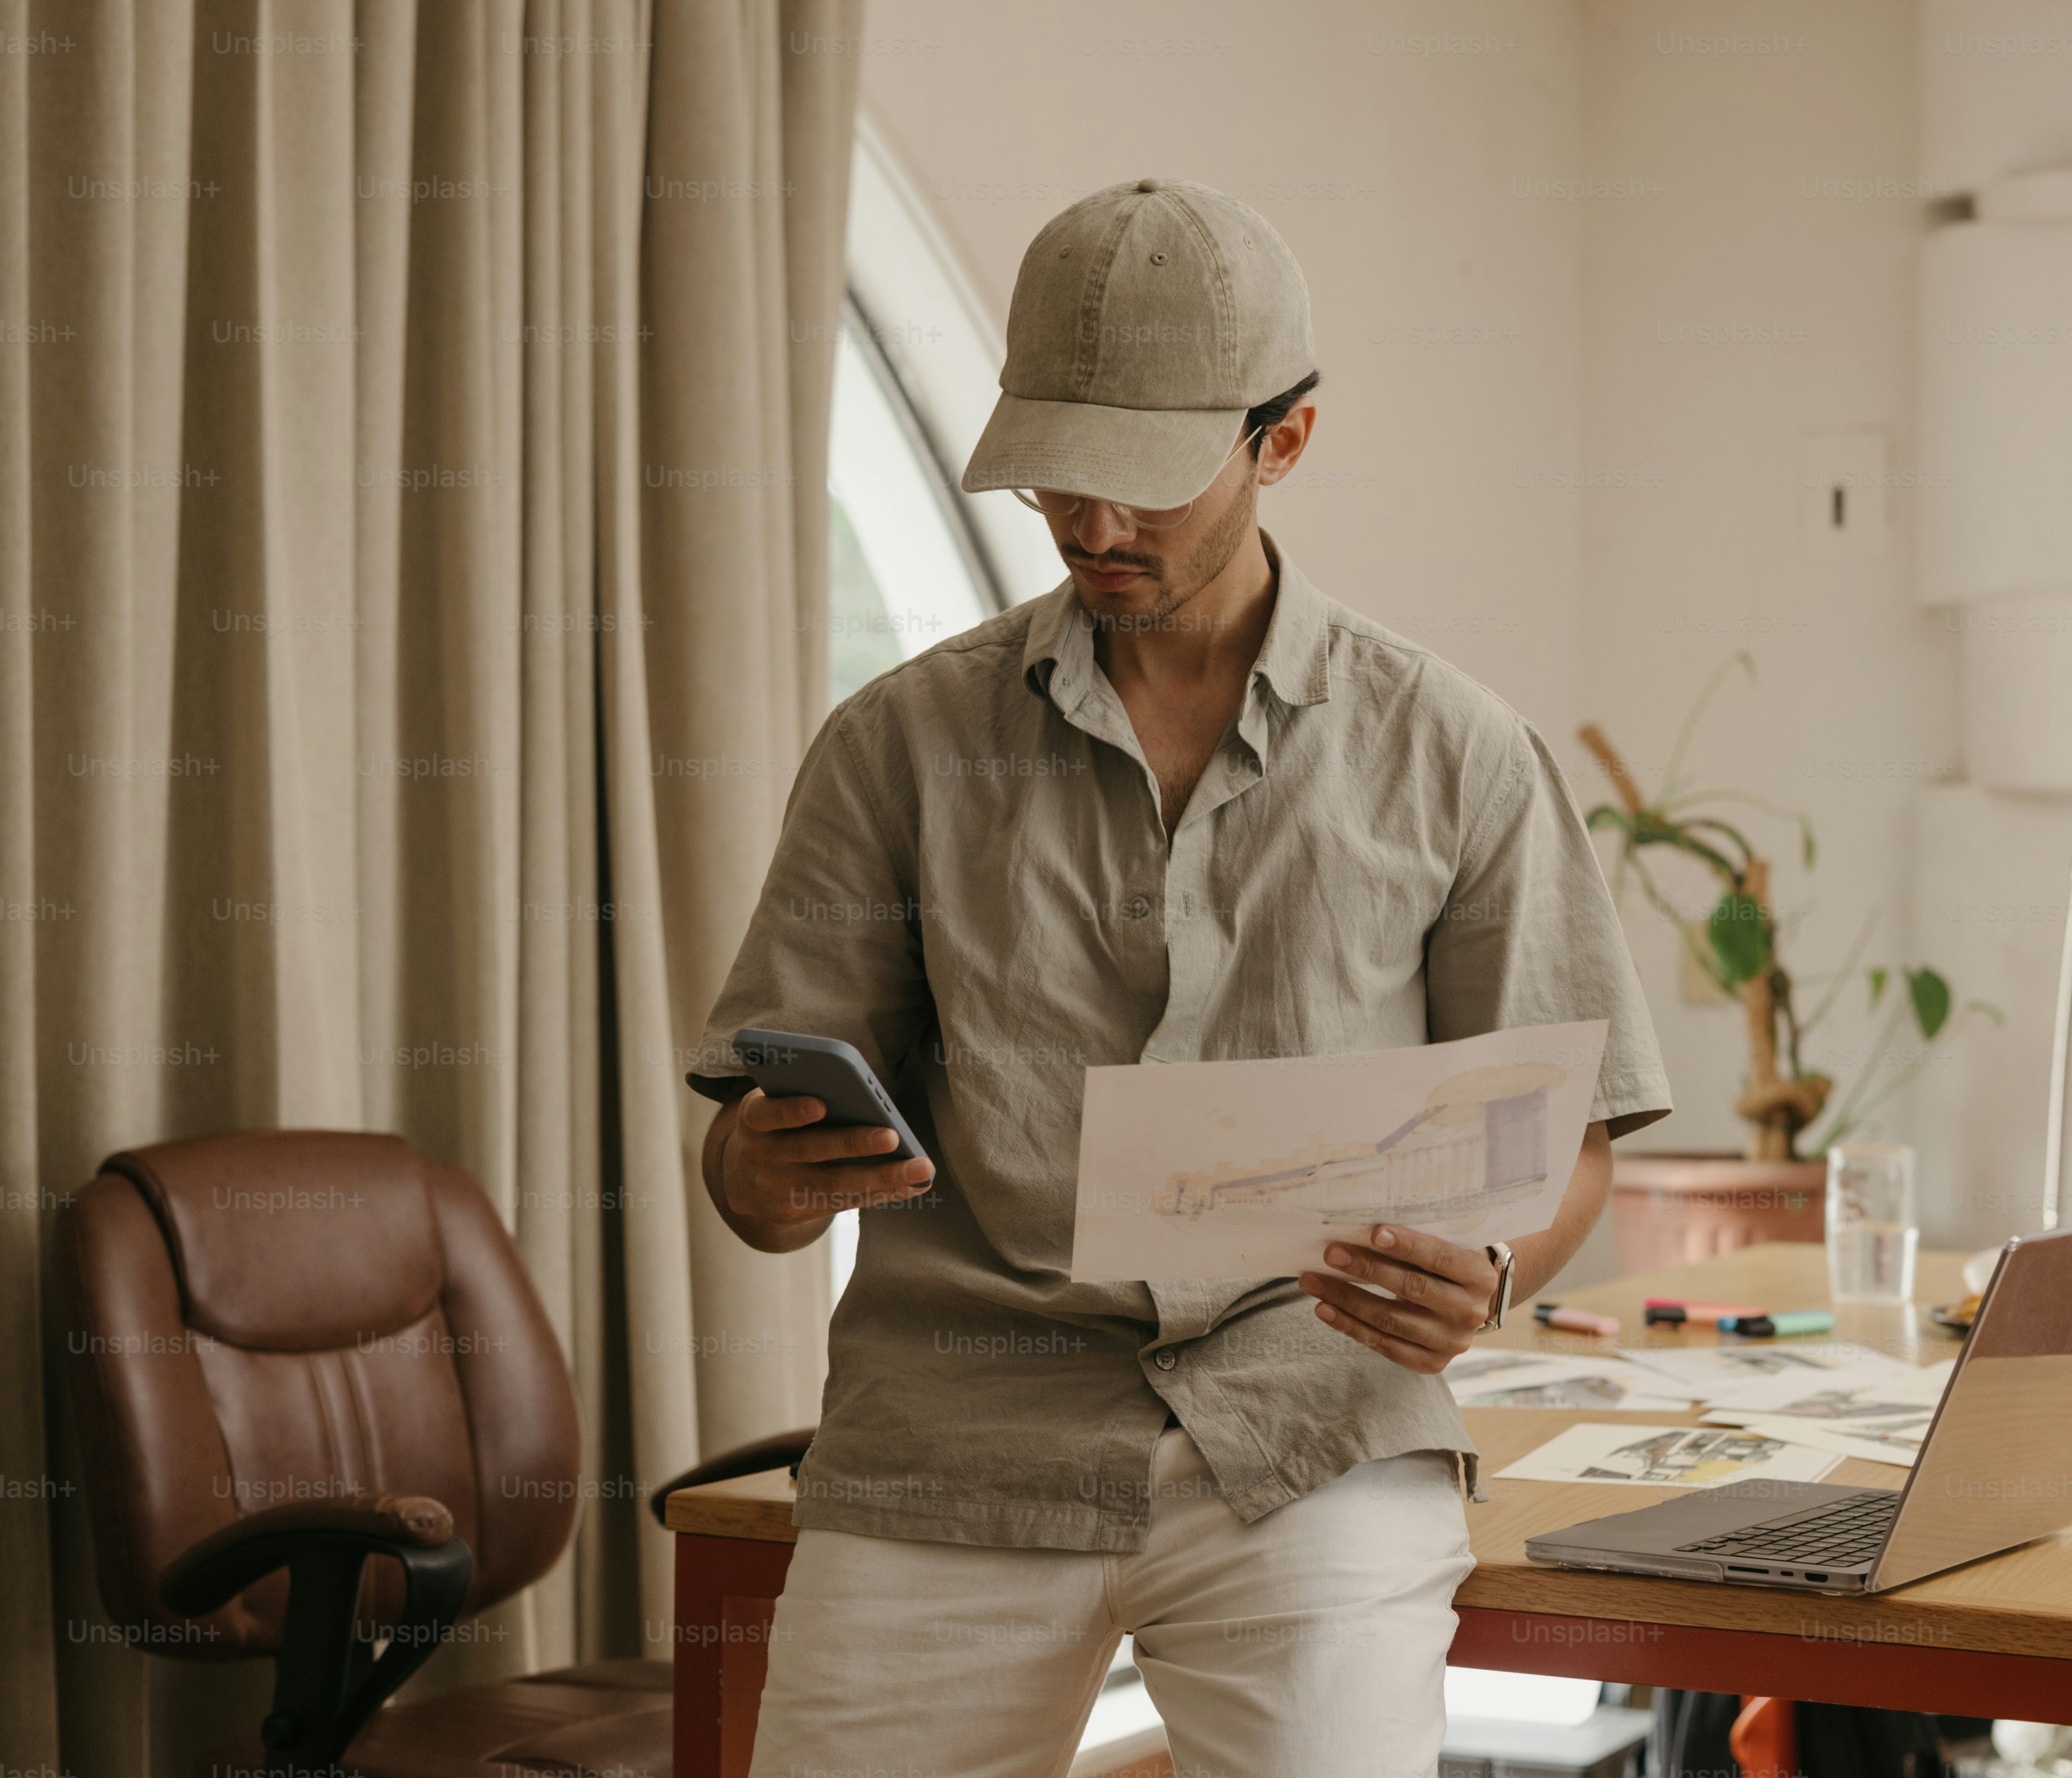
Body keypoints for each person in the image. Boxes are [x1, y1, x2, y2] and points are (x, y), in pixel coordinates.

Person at [690, 176, 1669, 1777]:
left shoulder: (1458, 753)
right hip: (957, 1429)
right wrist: (767, 1173)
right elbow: (752, 1167)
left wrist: (1491, 1275)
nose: (1092, 526)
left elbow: (1565, 1131)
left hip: (1312, 1426)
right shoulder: (898, 745)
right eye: (1058, 476)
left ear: (1282, 442)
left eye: (1141, 481)